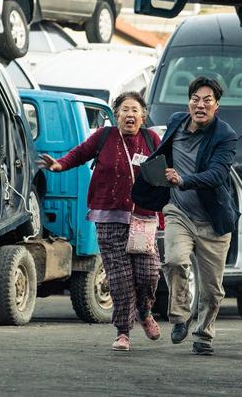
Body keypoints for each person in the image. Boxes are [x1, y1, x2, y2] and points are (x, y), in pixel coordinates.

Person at [39, 91, 161, 352]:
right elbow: (80, 154)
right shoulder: (104, 137)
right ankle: (123, 332)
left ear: (143, 116)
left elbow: (166, 168)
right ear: (116, 114)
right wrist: (59, 165)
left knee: (148, 272)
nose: (129, 115)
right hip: (108, 215)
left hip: (143, 217)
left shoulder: (151, 140)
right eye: (124, 110)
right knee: (119, 277)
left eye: (135, 110)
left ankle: (145, 310)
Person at [132, 76, 239, 355]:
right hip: (179, 211)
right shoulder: (177, 122)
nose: (200, 105)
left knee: (212, 290)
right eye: (195, 99)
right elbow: (158, 148)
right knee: (175, 260)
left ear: (217, 105)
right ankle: (180, 316)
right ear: (188, 102)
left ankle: (203, 335)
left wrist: (185, 179)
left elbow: (218, 173)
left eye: (207, 100)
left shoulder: (225, 135)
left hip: (213, 221)